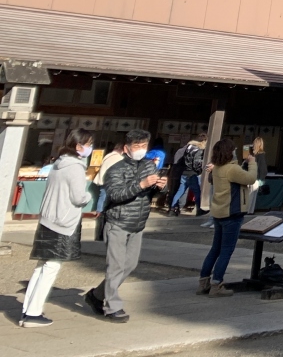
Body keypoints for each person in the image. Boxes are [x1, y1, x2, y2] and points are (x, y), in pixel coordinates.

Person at [86, 129, 166, 322]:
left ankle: (97, 295)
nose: (140, 149)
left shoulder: (149, 166)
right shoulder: (115, 168)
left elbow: (151, 194)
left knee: (130, 264)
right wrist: (141, 185)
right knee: (115, 265)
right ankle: (112, 305)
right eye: (136, 146)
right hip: (117, 222)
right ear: (126, 148)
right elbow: (115, 195)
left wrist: (161, 187)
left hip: (138, 223)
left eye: (144, 146)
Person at [20, 129, 95, 328]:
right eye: (88, 143)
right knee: (51, 267)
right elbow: (79, 197)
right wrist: (89, 197)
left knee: (41, 266)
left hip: (48, 218)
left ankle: (28, 309)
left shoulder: (58, 164)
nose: (90, 147)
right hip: (63, 221)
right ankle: (34, 313)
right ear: (79, 146)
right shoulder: (76, 167)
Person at [197, 138, 257, 297]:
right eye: (233, 150)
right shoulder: (231, 169)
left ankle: (204, 282)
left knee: (215, 249)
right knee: (226, 250)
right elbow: (251, 178)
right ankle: (217, 283)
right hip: (232, 213)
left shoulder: (218, 168)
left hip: (219, 212)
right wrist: (252, 162)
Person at [168, 133, 206, 215]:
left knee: (180, 191)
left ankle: (172, 209)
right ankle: (199, 210)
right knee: (197, 192)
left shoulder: (188, 148)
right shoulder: (199, 150)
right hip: (193, 173)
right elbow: (197, 162)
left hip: (184, 172)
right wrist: (199, 171)